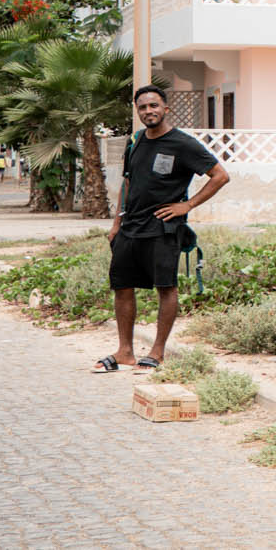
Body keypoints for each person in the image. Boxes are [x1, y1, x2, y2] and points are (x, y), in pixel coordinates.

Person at [93, 85, 229, 373]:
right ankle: (125, 351)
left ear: (166, 108)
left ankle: (157, 351)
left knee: (166, 288)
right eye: (142, 107)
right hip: (130, 226)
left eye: (154, 106)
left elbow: (220, 175)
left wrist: (188, 205)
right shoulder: (136, 141)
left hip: (164, 227)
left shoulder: (183, 144)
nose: (148, 111)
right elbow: (127, 183)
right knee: (122, 286)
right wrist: (117, 221)